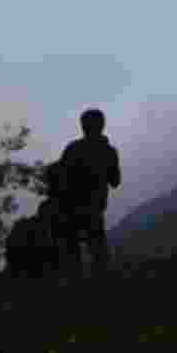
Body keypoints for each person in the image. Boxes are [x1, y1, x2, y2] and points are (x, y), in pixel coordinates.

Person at [57, 108, 122, 278]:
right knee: (97, 246)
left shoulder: (73, 149)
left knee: (72, 247)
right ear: (102, 125)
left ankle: (75, 280)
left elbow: (59, 174)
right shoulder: (109, 152)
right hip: (95, 206)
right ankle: (100, 282)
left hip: (72, 205)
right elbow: (115, 182)